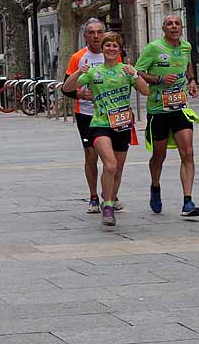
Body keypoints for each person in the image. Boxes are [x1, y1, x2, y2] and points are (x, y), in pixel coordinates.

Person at [62, 31, 148, 227]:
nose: (111, 49)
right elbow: (67, 88)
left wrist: (135, 74)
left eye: (114, 46)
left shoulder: (126, 70)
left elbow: (145, 91)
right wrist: (78, 72)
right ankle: (107, 206)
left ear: (119, 50)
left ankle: (109, 195)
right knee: (109, 165)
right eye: (107, 46)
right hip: (100, 124)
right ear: (102, 49)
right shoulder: (94, 71)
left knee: (117, 170)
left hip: (122, 125)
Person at [136, 14, 199, 218]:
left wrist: (191, 80)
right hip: (158, 110)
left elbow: (188, 64)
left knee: (188, 152)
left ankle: (188, 201)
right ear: (163, 28)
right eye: (169, 24)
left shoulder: (186, 47)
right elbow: (138, 72)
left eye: (177, 24)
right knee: (159, 155)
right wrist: (159, 78)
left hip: (180, 108)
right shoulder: (153, 48)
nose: (174, 27)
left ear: (182, 27)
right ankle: (155, 187)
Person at [63, 18, 119, 214]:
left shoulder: (113, 55)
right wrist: (81, 94)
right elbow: (66, 88)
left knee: (111, 158)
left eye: (99, 32)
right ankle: (94, 196)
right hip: (86, 113)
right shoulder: (78, 57)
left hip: (112, 114)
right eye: (91, 32)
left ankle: (110, 194)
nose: (96, 36)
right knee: (91, 156)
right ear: (85, 36)